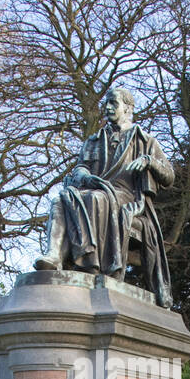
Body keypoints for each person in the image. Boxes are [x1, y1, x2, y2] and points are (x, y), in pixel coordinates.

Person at [33, 87, 175, 308]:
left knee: (97, 200)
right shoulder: (94, 140)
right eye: (106, 103)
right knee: (61, 199)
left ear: (128, 108)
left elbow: (169, 176)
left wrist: (149, 161)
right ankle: (54, 256)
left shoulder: (144, 140)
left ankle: (91, 264)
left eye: (113, 103)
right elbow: (80, 167)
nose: (108, 108)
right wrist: (85, 175)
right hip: (95, 189)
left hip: (127, 197)